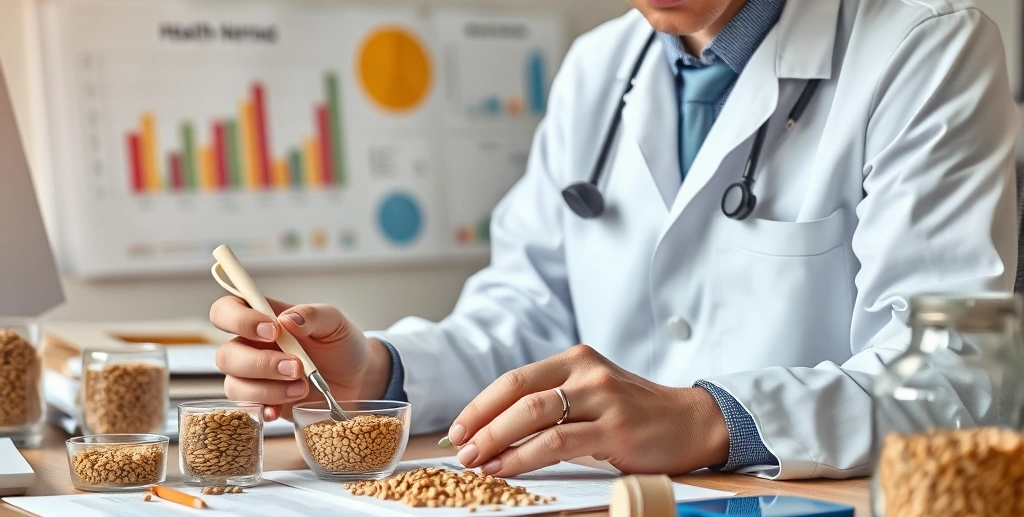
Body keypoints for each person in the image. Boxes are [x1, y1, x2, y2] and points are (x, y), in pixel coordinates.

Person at [209, 0, 1018, 480]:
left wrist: (711, 421)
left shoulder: (927, 46)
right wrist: (376, 374)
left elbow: (952, 380)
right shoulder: (599, 66)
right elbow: (525, 317)